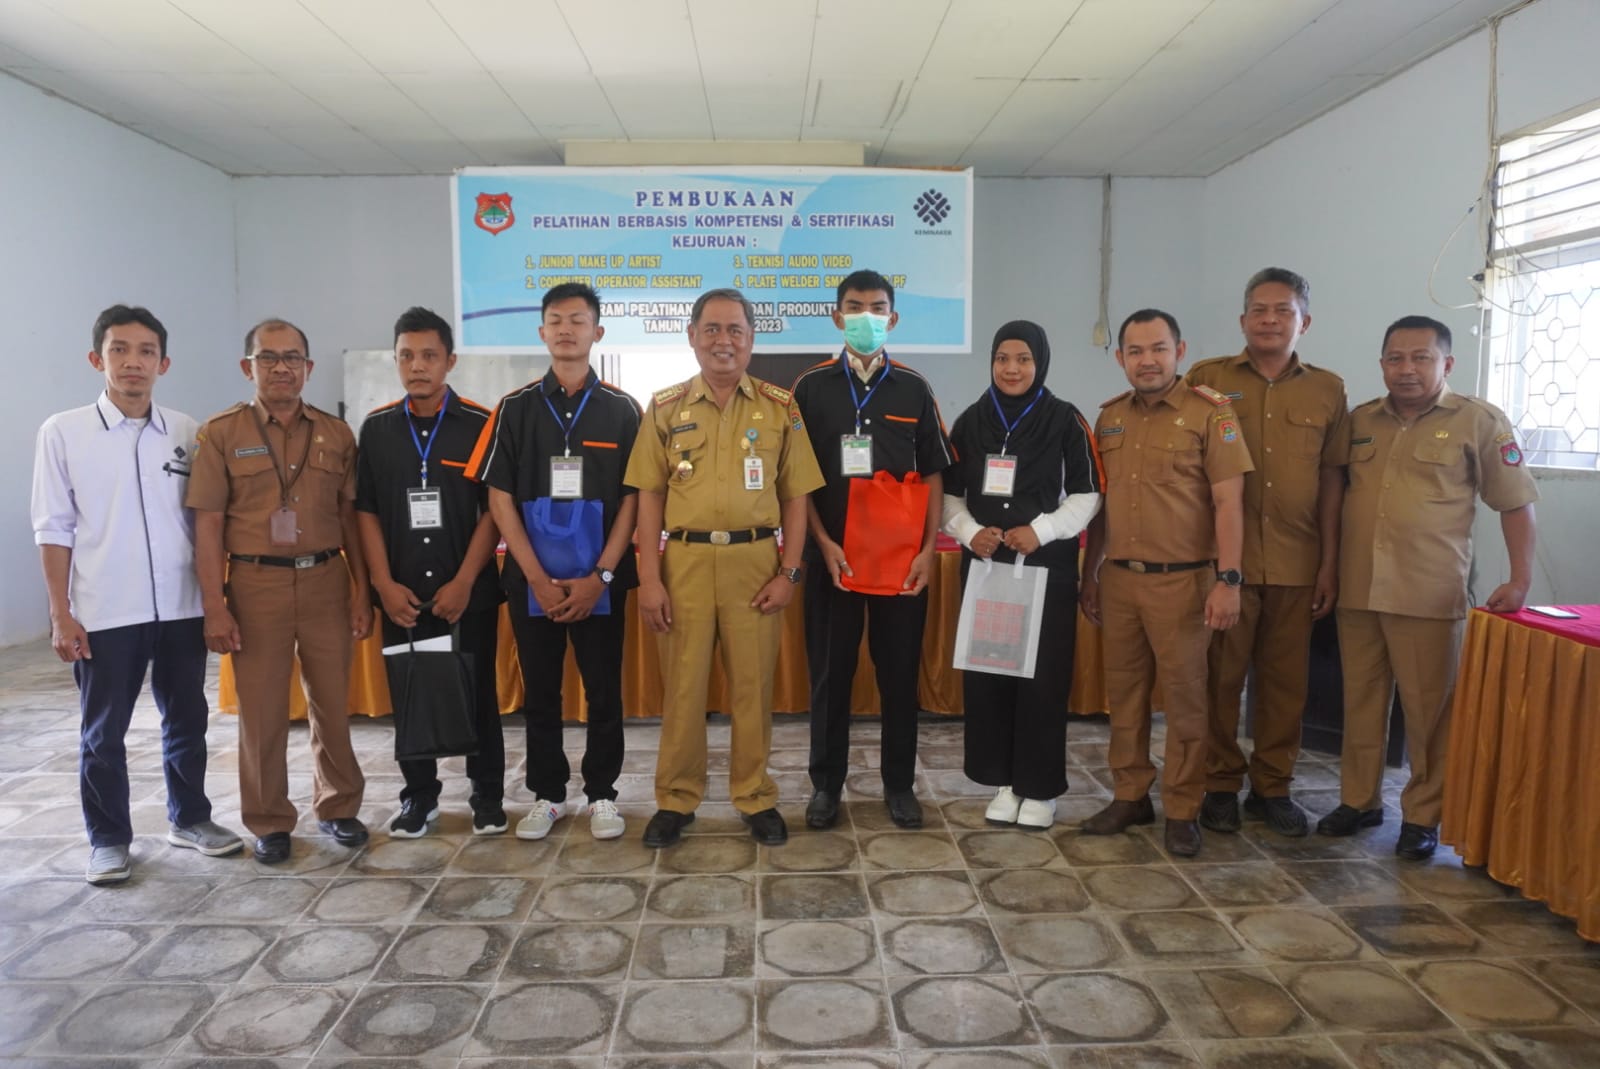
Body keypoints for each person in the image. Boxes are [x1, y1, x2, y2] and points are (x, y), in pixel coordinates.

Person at [32, 305, 243, 884]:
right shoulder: (63, 432)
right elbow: (53, 528)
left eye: (146, 351)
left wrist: (213, 600)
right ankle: (108, 839)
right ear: (96, 359)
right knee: (104, 733)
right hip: (105, 610)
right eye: (119, 350)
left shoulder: (186, 432)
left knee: (187, 719)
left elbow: (203, 522)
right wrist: (60, 613)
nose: (133, 362)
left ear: (163, 363)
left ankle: (190, 818)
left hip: (180, 607)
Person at [1318, 315, 1537, 860]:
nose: (1407, 369)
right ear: (1382, 364)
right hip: (1359, 589)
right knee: (1361, 702)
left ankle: (1422, 816)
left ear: (1447, 363)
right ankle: (1359, 800)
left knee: (1429, 713)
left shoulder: (1479, 421)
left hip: (1428, 593)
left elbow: (1515, 501)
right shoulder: (1361, 420)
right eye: (1395, 358)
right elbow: (1336, 496)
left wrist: (1519, 579)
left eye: (1421, 357)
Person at [623, 287, 824, 848]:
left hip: (755, 563)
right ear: (691, 336)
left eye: (735, 329)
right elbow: (648, 497)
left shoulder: (780, 407)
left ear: (751, 339)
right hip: (684, 562)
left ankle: (755, 795)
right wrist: (649, 578)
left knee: (753, 689)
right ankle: (676, 799)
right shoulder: (665, 407)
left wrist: (789, 573)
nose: (723, 340)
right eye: (711, 329)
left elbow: (796, 497)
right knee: (683, 689)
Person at [187, 318, 372, 865]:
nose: (281, 368)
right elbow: (207, 525)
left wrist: (361, 591)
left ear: (308, 368)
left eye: (292, 358)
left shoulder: (337, 434)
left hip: (325, 580)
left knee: (332, 704)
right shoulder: (221, 433)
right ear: (248, 367)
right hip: (254, 584)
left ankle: (338, 806)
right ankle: (268, 820)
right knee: (263, 712)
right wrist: (214, 606)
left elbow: (350, 518)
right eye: (268, 358)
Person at [468, 283, 641, 841]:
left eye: (578, 320)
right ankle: (548, 795)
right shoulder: (514, 409)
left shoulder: (623, 410)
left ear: (598, 332)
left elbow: (635, 498)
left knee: (604, 691)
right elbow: (498, 498)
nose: (567, 329)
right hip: (532, 582)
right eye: (556, 320)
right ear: (542, 332)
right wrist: (537, 580)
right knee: (541, 693)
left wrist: (601, 577)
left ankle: (602, 794)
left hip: (600, 582)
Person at [1080, 309, 1252, 858]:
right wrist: (1090, 573)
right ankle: (1130, 795)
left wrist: (1229, 580)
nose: (1147, 360)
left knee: (1186, 702)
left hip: (1185, 584)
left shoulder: (1211, 413)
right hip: (1120, 581)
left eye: (1158, 348)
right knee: (1125, 697)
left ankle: (1182, 807)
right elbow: (1100, 507)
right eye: (1135, 351)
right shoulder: (1109, 418)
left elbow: (1229, 502)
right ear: (1120, 358)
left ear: (1179, 351)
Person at [1186, 268, 1350, 838]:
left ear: (1305, 321)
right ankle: (1220, 784)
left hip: (1296, 563)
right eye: (1259, 309)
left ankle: (1272, 787)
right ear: (1242, 319)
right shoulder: (1207, 379)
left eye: (1283, 310)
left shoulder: (1327, 390)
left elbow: (1332, 481)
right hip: (1224, 565)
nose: (1270, 320)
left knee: (1285, 687)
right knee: (1219, 680)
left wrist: (1328, 563)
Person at [790, 270, 955, 831]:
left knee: (899, 676)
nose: (867, 317)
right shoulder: (810, 387)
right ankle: (826, 786)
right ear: (837, 317)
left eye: (877, 308)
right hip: (832, 562)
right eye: (855, 307)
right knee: (829, 677)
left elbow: (933, 473)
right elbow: (799, 479)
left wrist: (927, 550)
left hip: (900, 563)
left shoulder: (914, 388)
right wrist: (822, 543)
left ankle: (899, 785)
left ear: (893, 318)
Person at [941, 320, 1102, 829]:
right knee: (991, 676)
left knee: (1042, 680)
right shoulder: (970, 421)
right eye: (1002, 358)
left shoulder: (1065, 419)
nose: (1012, 369)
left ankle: (1040, 789)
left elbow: (1089, 493)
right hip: (987, 568)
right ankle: (1005, 782)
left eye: (1024, 359)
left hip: (1045, 570)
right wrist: (970, 533)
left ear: (1041, 363)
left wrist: (1043, 530)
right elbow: (948, 495)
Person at [356, 307, 505, 838]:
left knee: (478, 693)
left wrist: (464, 581)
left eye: (428, 355)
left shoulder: (482, 424)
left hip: (467, 591)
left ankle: (487, 795)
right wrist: (382, 584)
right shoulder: (377, 429)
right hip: (402, 593)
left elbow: (494, 511)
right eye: (406, 356)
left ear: (450, 361)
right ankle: (419, 797)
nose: (417, 366)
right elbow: (366, 511)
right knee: (410, 693)